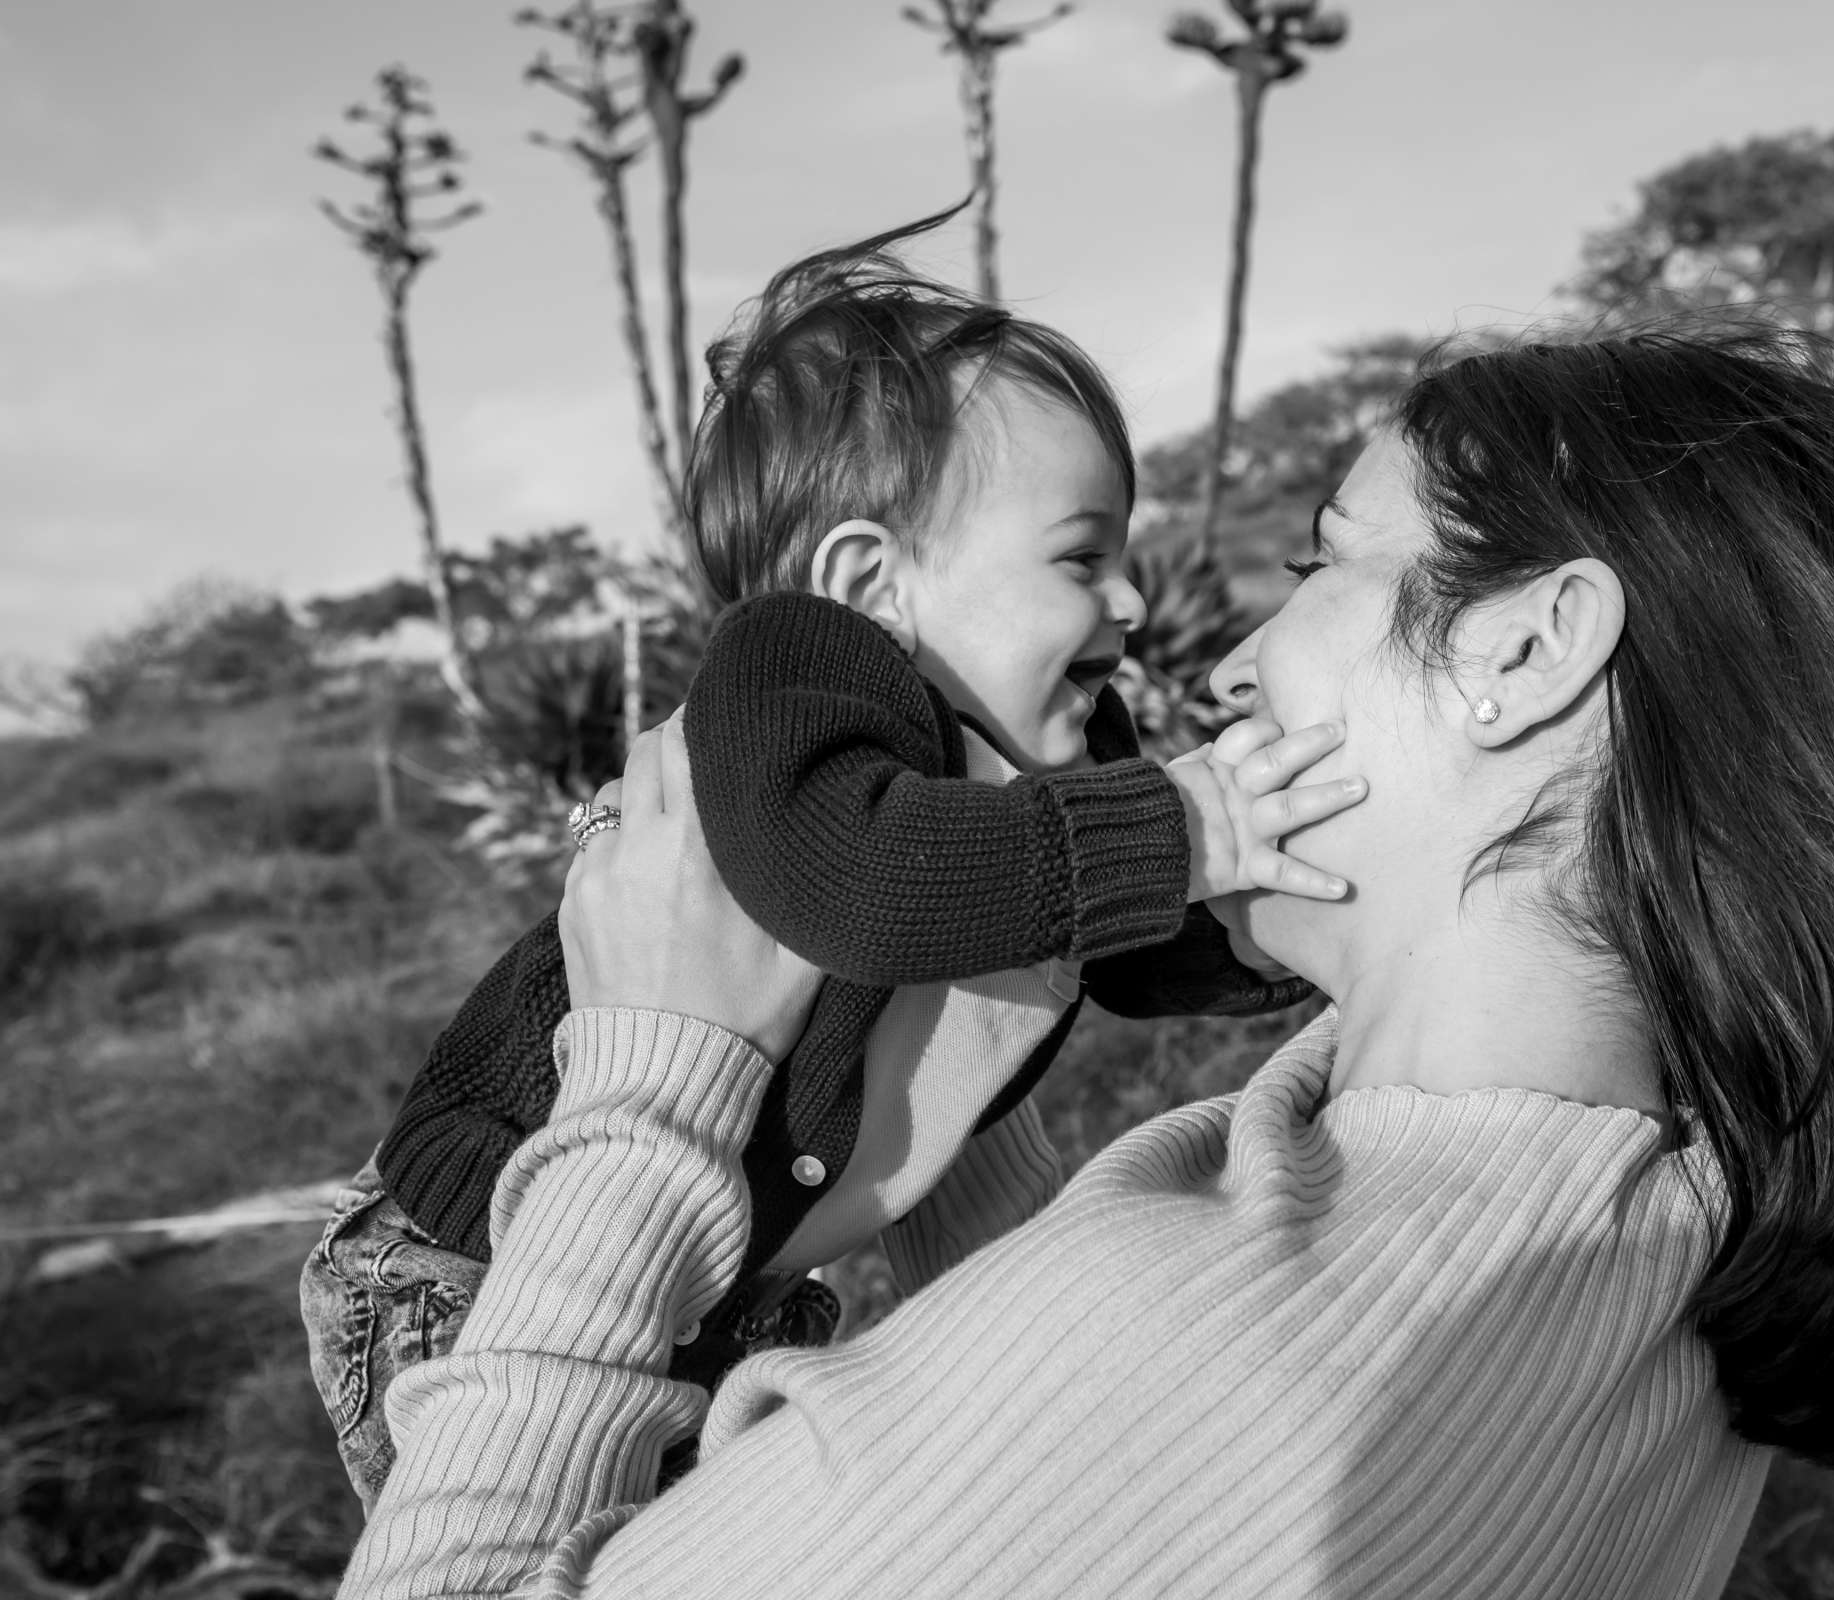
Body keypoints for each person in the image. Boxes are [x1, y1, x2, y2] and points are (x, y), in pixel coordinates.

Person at [339, 326, 1834, 1600]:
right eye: (1081, 561)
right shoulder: (1693, 1220)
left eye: (1320, 564)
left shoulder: (1186, 1350)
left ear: (1530, 645)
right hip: (440, 1254)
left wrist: (655, 1070)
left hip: (618, 1269)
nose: (1218, 659)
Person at [298, 212, 1358, 1511]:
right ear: (869, 583)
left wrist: (1301, 916)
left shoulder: (1054, 752)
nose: (1130, 604)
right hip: (476, 1269)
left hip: (714, 1272)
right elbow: (859, 887)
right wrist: (1187, 827)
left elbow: (1130, 949)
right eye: (1083, 557)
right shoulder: (789, 679)